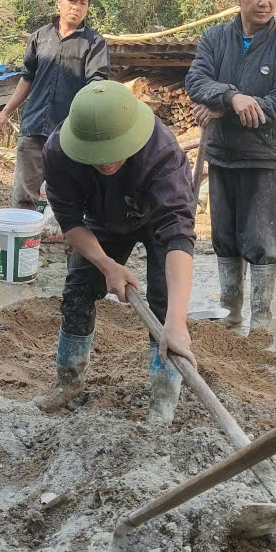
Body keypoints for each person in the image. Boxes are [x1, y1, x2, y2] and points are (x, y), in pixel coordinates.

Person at [35, 80, 197, 422]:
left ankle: (162, 405)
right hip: (102, 219)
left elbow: (178, 234)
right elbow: (69, 221)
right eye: (98, 156)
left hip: (157, 221)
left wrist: (177, 321)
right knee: (78, 290)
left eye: (115, 152)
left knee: (166, 306)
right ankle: (69, 384)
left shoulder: (162, 152)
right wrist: (107, 265)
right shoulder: (58, 152)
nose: (107, 162)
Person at [185, 0, 276, 332]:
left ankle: (262, 319)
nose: (266, 2)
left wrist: (220, 105)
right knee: (224, 236)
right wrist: (233, 97)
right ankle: (230, 311)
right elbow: (195, 80)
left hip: (260, 157)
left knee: (263, 237)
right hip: (221, 155)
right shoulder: (215, 39)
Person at [0, 0, 110, 211]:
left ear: (87, 8)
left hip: (70, 129)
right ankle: (23, 239)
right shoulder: (39, 37)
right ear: (60, 2)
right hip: (34, 124)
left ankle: (68, 240)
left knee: (70, 191)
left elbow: (97, 84)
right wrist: (5, 113)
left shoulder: (94, 42)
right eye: (71, 0)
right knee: (25, 194)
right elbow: (27, 78)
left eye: (82, 3)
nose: (76, 7)